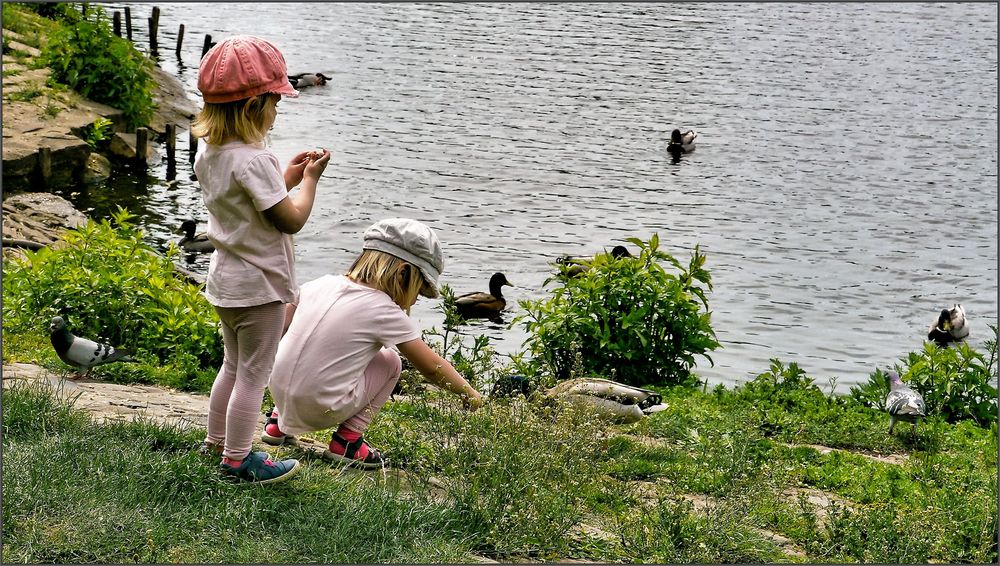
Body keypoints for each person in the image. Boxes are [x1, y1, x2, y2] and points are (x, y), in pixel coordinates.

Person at [191, 35, 331, 484]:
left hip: (226, 283)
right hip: (261, 288)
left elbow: (248, 202)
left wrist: (284, 174)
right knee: (254, 375)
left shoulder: (209, 153)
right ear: (254, 108)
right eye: (275, 104)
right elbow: (288, 220)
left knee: (231, 367)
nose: (276, 113)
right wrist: (309, 182)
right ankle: (237, 460)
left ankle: (214, 441)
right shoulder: (255, 160)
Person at [261, 218, 483, 469]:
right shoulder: (384, 310)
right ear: (403, 273)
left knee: (306, 345)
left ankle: (278, 423)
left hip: (279, 391)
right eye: (418, 290)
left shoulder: (319, 284)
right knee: (390, 361)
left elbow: (279, 328)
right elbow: (431, 367)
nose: (414, 300)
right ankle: (348, 441)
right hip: (321, 406)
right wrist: (469, 392)